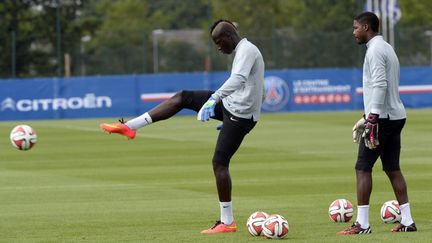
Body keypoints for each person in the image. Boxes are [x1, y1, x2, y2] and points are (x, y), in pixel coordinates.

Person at [99, 19, 265, 234]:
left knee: (219, 162)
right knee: (182, 97)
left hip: (239, 116)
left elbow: (238, 79)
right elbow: (256, 87)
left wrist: (215, 100)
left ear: (228, 37)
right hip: (232, 109)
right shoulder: (244, 50)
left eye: (218, 42)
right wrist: (225, 114)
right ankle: (131, 127)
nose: (218, 47)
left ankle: (227, 222)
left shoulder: (247, 50)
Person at [337, 12, 416, 235]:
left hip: (383, 119)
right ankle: (408, 221)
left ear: (366, 27)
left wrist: (372, 118)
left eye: (355, 28)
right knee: (392, 168)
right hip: (396, 115)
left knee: (362, 168)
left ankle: (362, 224)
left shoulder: (374, 50)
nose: (354, 32)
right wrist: (367, 116)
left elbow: (380, 85)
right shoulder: (387, 47)